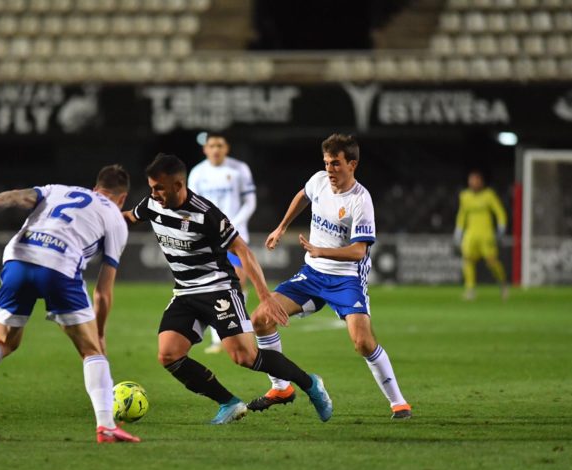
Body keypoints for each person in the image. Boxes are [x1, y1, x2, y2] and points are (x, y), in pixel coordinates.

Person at [123, 153, 332, 425]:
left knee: (244, 356)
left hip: (218, 288)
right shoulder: (152, 204)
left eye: (159, 187)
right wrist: (101, 214)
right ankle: (229, 403)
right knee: (169, 354)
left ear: (178, 185)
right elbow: (129, 217)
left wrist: (265, 296)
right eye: (151, 187)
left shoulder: (206, 214)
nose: (154, 193)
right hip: (185, 292)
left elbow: (243, 251)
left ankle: (310, 383)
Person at [0, 165, 140, 444]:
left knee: (4, 340)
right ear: (122, 198)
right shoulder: (116, 219)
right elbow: (103, 292)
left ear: (95, 188)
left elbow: (14, 197)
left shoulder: (56, 190)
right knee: (90, 350)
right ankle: (106, 426)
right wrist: (101, 333)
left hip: (18, 258)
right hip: (59, 265)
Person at [248, 134, 412, 420]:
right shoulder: (319, 181)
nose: (330, 170)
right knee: (260, 318)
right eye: (326, 163)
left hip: (346, 280)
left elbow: (359, 252)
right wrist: (281, 227)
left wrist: (320, 251)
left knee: (362, 342)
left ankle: (398, 402)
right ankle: (281, 387)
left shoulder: (361, 201)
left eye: (336, 164)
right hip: (312, 275)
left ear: (352, 164)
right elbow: (303, 195)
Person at [188, 133, 257, 354]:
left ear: (226, 148)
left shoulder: (239, 169)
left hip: (235, 236)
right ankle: (218, 339)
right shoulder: (198, 173)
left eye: (219, 145)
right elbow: (191, 205)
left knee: (237, 281)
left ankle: (241, 330)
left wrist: (232, 225)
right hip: (207, 237)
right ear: (205, 149)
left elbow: (250, 201)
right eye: (211, 146)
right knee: (211, 283)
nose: (215, 149)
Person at [454, 169, 509, 301]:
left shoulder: (489, 195)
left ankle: (503, 284)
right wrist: (458, 231)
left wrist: (501, 227)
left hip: (486, 235)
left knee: (492, 262)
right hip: (470, 235)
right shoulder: (465, 196)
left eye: (476, 180)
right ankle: (470, 289)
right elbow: (462, 215)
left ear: (481, 182)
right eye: (471, 180)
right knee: (467, 260)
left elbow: (499, 212)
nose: (473, 183)